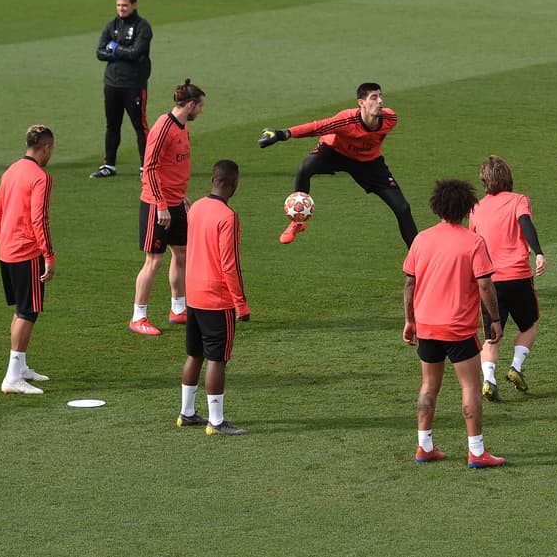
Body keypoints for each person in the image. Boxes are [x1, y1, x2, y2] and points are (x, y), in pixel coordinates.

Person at [402, 179, 505, 468]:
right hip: (458, 328)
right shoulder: (473, 242)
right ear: (466, 207)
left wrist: (410, 320)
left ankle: (424, 446)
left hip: (427, 326)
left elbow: (409, 284)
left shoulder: (421, 239)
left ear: (437, 207)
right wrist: (494, 320)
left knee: (428, 386)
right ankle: (476, 451)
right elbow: (485, 285)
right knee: (470, 387)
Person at [259, 82, 418, 248]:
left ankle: (418, 258)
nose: (380, 101)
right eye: (374, 97)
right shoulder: (347, 120)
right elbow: (317, 127)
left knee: (403, 208)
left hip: (368, 163)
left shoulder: (390, 118)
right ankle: (298, 222)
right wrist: (282, 134)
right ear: (361, 103)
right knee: (305, 168)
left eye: (380, 96)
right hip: (335, 153)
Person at [177, 160, 251, 435]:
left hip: (193, 295)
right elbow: (229, 265)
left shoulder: (196, 207)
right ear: (233, 184)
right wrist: (240, 304)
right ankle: (216, 421)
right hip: (216, 299)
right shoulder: (227, 217)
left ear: (213, 179)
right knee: (217, 359)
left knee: (194, 354)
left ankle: (186, 413)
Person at [130, 80, 205, 336]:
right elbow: (149, 167)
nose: (201, 112)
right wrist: (161, 204)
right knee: (154, 261)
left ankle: (178, 309)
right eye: (200, 106)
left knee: (182, 254)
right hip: (156, 204)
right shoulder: (164, 127)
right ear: (191, 105)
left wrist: (182, 196)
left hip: (176, 201)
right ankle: (138, 316)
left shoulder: (182, 127)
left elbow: (175, 165)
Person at [469, 156, 547, 402]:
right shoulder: (518, 200)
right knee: (530, 324)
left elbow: (472, 245)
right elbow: (525, 224)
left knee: (492, 335)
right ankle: (515, 366)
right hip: (518, 276)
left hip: (489, 282)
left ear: (484, 181)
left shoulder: (475, 209)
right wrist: (539, 252)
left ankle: (489, 380)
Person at [0, 126, 56, 395]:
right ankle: (12, 376)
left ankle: (20, 367)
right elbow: (39, 219)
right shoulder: (40, 177)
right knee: (28, 311)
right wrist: (49, 255)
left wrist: (3, 241)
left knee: (21, 308)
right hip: (27, 252)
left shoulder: (11, 170)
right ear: (46, 148)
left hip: (7, 249)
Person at [92, 0, 153, 180]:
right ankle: (109, 165)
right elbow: (100, 52)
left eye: (125, 5)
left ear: (134, 5)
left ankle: (146, 167)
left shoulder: (143, 27)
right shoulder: (111, 25)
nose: (121, 8)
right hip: (112, 84)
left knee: (139, 126)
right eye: (119, 5)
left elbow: (136, 53)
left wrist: (116, 49)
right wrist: (121, 52)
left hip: (134, 84)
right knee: (112, 126)